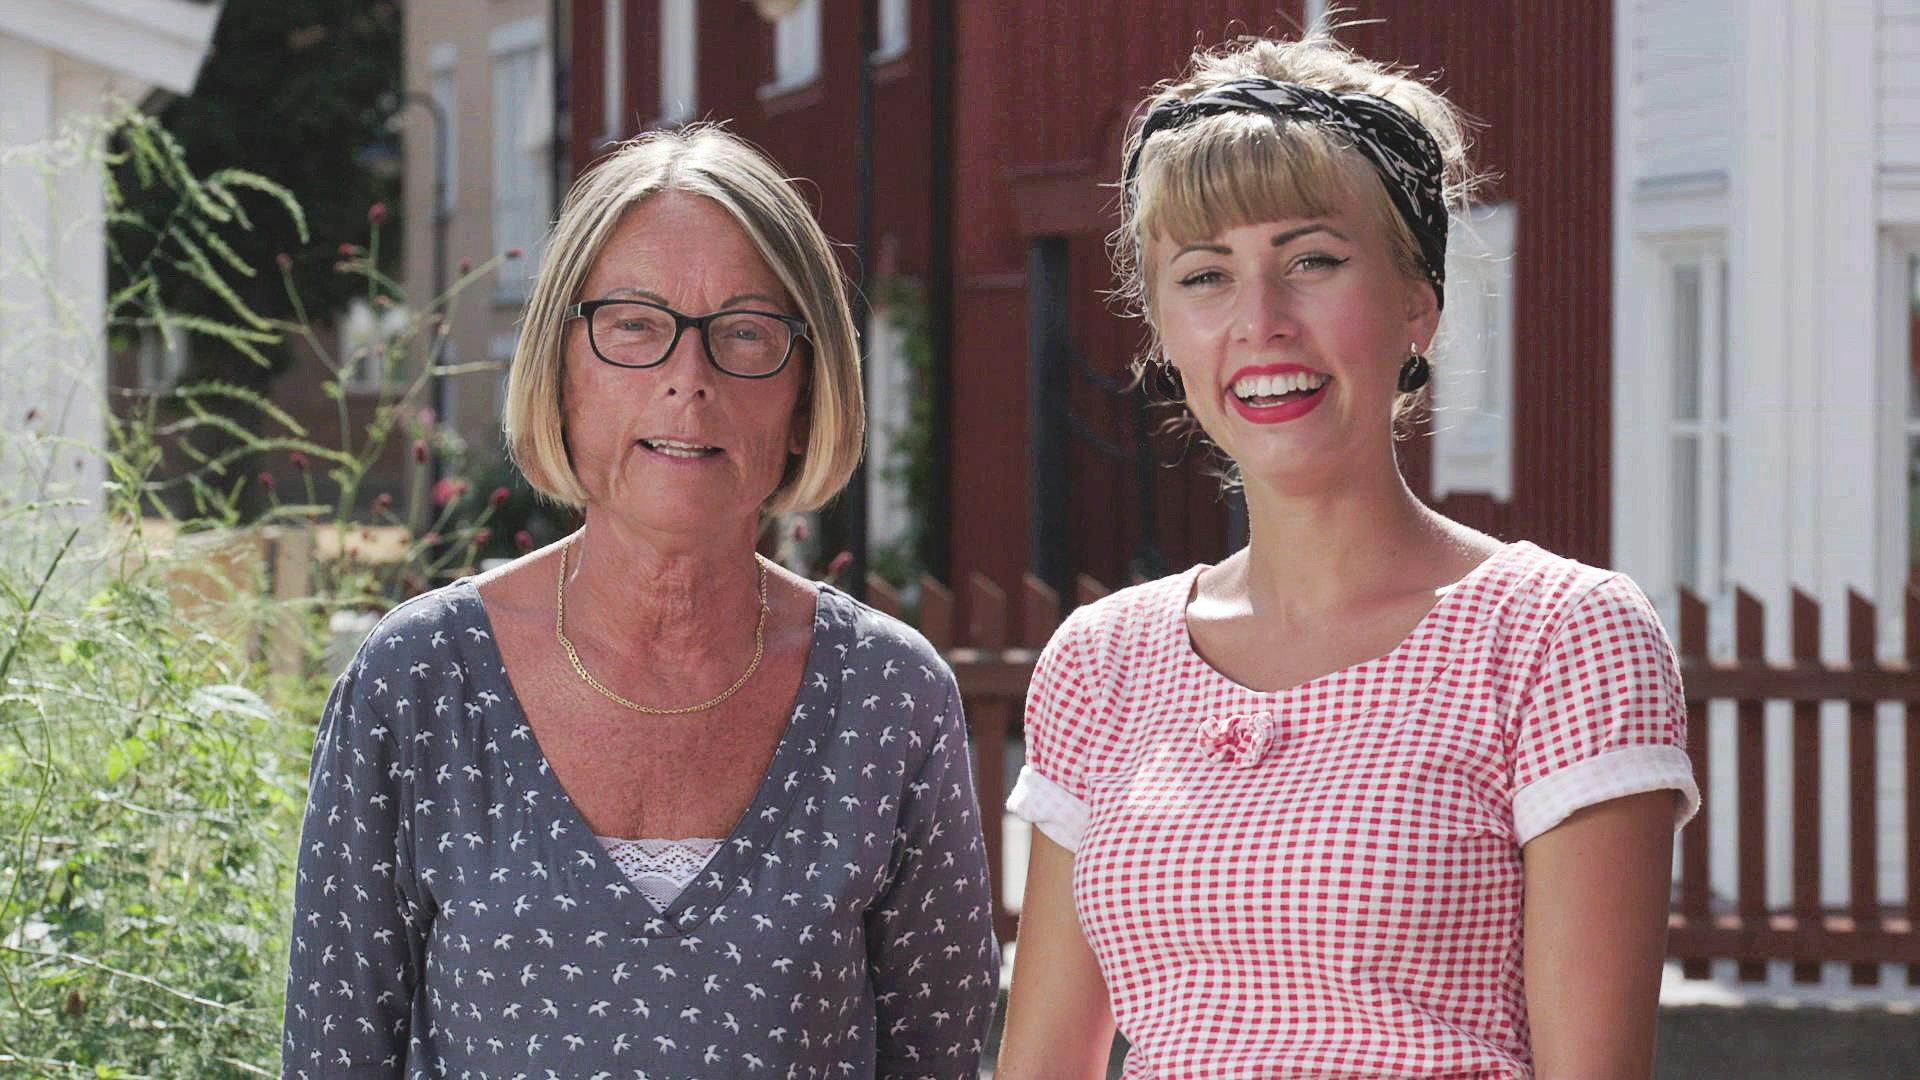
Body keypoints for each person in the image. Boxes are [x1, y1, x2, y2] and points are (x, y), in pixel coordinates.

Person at [996, 32, 1699, 1080]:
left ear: (1418, 301)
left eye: (1313, 261)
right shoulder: (1101, 662)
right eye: (1205, 275)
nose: (1261, 322)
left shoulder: (1557, 635)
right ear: (1164, 332)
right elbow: (1042, 1064)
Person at [281, 125, 998, 1079]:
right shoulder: (419, 682)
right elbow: (331, 1059)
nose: (687, 379)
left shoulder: (889, 696)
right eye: (632, 324)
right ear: (560, 370)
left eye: (746, 331)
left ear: (805, 393)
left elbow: (939, 1063)